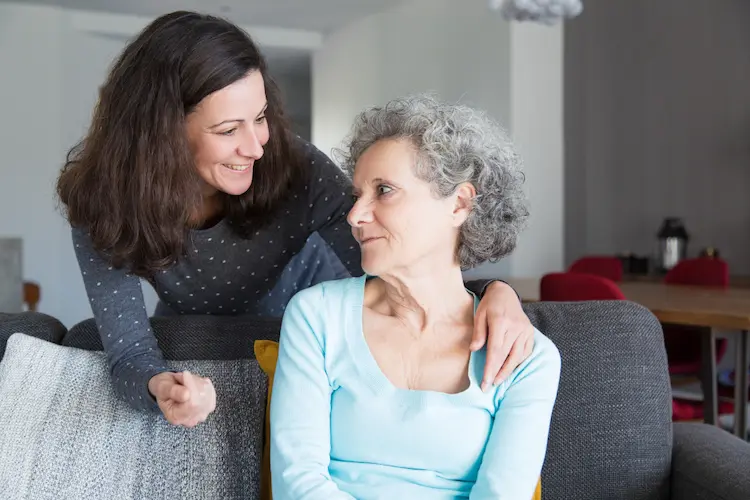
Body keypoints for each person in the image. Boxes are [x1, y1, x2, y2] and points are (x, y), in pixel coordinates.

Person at [55, 11, 535, 429]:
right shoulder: (103, 203)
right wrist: (162, 387)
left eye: (260, 117)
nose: (255, 146)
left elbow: (406, 262)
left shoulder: (296, 168)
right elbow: (129, 355)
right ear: (160, 133)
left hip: (303, 337)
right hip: (194, 338)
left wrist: (494, 292)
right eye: (228, 130)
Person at [270, 95, 561, 499]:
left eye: (384, 190)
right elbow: (297, 485)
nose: (355, 216)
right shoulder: (316, 315)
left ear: (459, 203)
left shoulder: (526, 358)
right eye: (357, 196)